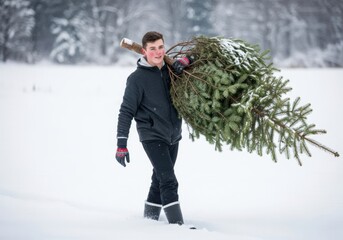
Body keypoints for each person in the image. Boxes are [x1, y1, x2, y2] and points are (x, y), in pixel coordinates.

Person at [115, 31, 193, 225]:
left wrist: (186, 60)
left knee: (158, 179)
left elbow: (198, 56)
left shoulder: (171, 70)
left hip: (173, 134)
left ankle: (150, 222)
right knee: (169, 180)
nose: (158, 52)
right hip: (152, 135)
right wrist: (121, 144)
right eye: (152, 49)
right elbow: (126, 111)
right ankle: (177, 227)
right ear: (144, 51)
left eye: (160, 47)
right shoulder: (137, 79)